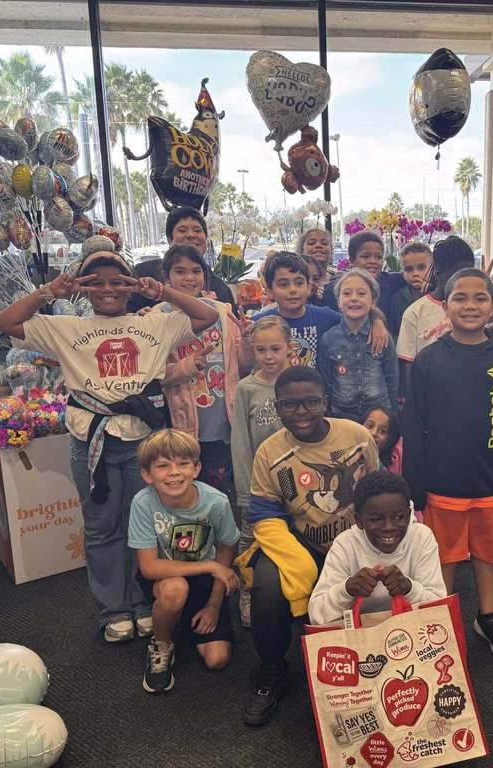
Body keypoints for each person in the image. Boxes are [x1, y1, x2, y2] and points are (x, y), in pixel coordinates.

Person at [0, 250, 219, 642]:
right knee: (100, 527)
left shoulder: (158, 324)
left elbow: (207, 315)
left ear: (132, 285)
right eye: (95, 281)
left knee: (144, 524)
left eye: (118, 280)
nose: (108, 289)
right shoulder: (66, 328)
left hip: (142, 444)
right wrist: (50, 290)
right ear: (82, 286)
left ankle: (142, 602)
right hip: (91, 439)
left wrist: (160, 290)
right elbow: (6, 322)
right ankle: (113, 608)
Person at [235, 366, 379, 726]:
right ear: (278, 407)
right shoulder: (270, 452)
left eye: (311, 402)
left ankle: (380, 658)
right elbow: (265, 517)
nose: (301, 412)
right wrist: (301, 568)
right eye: (290, 405)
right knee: (268, 586)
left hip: (356, 538)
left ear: (325, 401)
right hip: (298, 542)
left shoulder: (357, 436)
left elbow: (379, 494)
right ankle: (272, 668)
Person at [403, 268, 493, 660]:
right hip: (443, 483)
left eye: (480, 297)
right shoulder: (428, 361)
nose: (471, 305)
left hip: (492, 482)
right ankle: (444, 616)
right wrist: (416, 484)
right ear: (446, 305)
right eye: (461, 297)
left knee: (489, 554)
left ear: (492, 305)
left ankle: (488, 615)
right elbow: (414, 424)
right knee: (445, 555)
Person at [128, 429, 241, 694]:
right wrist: (211, 565)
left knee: (217, 659)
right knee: (175, 590)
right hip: (165, 576)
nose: (174, 473)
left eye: (183, 464)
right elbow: (149, 567)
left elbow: (226, 548)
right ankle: (162, 643)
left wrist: (213, 605)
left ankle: (179, 620)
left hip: (205, 580)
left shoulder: (216, 502)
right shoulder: (143, 503)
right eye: (163, 466)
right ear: (147, 474)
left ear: (197, 468)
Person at [155, 244, 251, 499]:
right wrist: (187, 367)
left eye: (196, 271)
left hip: (223, 422)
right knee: (187, 495)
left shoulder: (222, 312)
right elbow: (152, 375)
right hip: (182, 422)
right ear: (167, 279)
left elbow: (242, 367)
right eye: (180, 271)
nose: (189, 278)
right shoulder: (156, 318)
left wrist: (249, 342)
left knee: (221, 494)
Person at [308, 471, 445, 625]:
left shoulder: (421, 537)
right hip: (360, 634)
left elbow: (439, 609)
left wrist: (409, 588)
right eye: (376, 519)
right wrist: (346, 589)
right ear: (359, 521)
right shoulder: (345, 545)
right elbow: (316, 616)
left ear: (408, 514)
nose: (389, 527)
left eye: (399, 517)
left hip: (410, 629)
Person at [231, 315, 292, 625]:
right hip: (258, 482)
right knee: (249, 536)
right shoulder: (246, 389)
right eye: (261, 350)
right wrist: (245, 489)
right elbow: (241, 442)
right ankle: (247, 590)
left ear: (289, 349)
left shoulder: (298, 382)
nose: (268, 357)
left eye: (275, 349)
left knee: (292, 532)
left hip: (295, 480)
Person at [253, 251, 388, 369]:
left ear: (309, 286)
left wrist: (376, 321)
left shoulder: (325, 316)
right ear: (270, 291)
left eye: (299, 283)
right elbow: (246, 365)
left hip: (318, 395)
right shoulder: (260, 323)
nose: (293, 290)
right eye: (284, 284)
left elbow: (356, 319)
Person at [396, 235, 476, 394]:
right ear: (438, 271)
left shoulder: (474, 310)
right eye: (457, 275)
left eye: (468, 274)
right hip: (429, 397)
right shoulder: (415, 313)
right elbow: (408, 365)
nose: (463, 281)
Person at [318, 269, 399, 422]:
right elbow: (326, 381)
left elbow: (392, 378)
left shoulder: (383, 337)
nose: (354, 298)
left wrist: (393, 416)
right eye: (347, 294)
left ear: (373, 301)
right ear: (338, 301)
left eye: (362, 294)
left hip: (378, 416)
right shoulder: (328, 339)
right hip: (342, 416)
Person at [129, 206, 238, 315]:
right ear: (169, 239)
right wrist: (137, 317)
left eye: (197, 230)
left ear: (206, 240)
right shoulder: (144, 274)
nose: (191, 235)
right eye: (182, 230)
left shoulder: (220, 287)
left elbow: (233, 325)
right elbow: (123, 318)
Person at [323, 231, 403, 318]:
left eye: (378, 257)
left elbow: (408, 276)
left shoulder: (388, 281)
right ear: (351, 260)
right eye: (365, 257)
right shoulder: (337, 287)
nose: (373, 261)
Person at [387, 242, 432, 339]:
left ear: (433, 269)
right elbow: (393, 331)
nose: (415, 273)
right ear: (402, 274)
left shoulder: (438, 295)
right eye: (409, 269)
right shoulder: (398, 298)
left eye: (421, 267)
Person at [297, 227, 335, 302]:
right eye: (311, 243)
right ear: (301, 250)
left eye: (324, 243)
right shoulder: (293, 279)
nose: (318, 246)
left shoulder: (339, 279)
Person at [364, 407, 402, 476]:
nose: (374, 433)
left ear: (390, 440)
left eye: (383, 431)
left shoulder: (387, 471)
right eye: (370, 426)